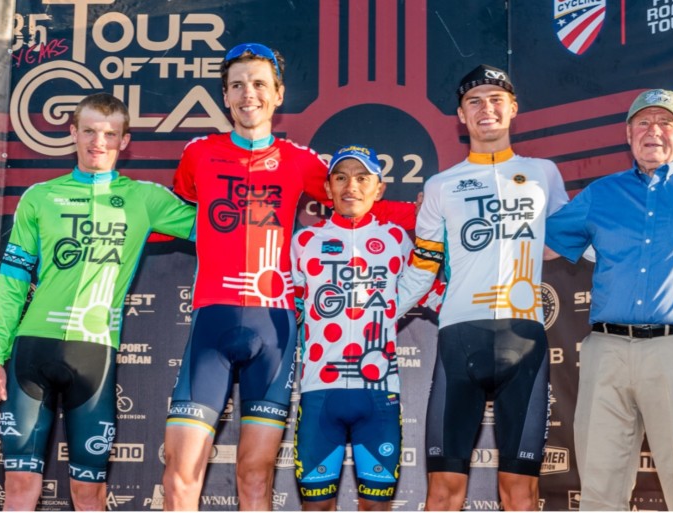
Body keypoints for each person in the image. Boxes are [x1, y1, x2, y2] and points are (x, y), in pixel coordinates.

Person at [161, 43, 417, 510]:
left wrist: (428, 212)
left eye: (259, 84)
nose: (249, 94)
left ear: (278, 95)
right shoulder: (198, 153)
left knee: (255, 475)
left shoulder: (299, 160)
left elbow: (353, 200)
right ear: (225, 96)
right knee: (181, 473)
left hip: (274, 329)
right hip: (211, 322)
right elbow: (176, 211)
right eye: (237, 85)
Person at [0, 93, 197, 511]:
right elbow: (12, 282)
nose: (99, 142)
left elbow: (218, 229)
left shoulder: (144, 199)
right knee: (19, 487)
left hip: (94, 355)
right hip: (32, 351)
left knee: (89, 493)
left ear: (124, 140)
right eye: (90, 131)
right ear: (73, 133)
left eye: (110, 134)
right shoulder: (40, 197)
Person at [397, 64, 569, 511]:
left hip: (524, 341)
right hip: (459, 341)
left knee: (520, 494)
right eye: (474, 101)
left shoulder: (543, 173)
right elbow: (423, 268)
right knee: (441, 493)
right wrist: (374, 317)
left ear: (513, 108)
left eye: (496, 99)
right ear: (461, 115)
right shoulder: (440, 185)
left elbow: (567, 243)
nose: (485, 109)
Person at [545, 89, 673, 511]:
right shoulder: (601, 193)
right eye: (643, 122)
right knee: (599, 488)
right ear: (628, 133)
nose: (654, 130)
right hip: (607, 351)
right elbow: (539, 243)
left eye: (665, 122)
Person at [291, 145, 415, 511]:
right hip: (319, 390)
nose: (351, 186)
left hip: (379, 393)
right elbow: (288, 307)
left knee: (375, 507)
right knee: (316, 507)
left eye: (363, 178)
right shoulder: (304, 242)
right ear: (327, 188)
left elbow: (428, 290)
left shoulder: (396, 239)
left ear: (379, 189)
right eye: (341, 178)